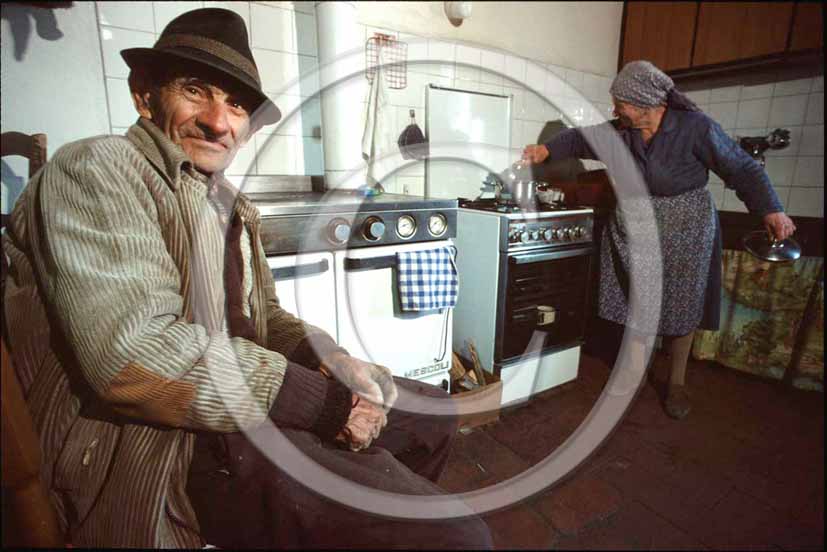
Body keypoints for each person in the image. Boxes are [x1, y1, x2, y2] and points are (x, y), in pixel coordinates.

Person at [2, 8, 492, 549]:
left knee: (434, 416)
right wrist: (330, 406)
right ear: (146, 95)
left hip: (239, 409)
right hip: (160, 445)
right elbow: (133, 356)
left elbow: (266, 321)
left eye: (235, 104)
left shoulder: (229, 204)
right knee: (458, 539)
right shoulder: (98, 170)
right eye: (196, 91)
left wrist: (333, 361)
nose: (219, 120)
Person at [522, 60, 796, 420]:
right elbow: (580, 137)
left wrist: (771, 209)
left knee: (682, 305)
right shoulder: (623, 130)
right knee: (636, 301)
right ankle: (633, 374)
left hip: (686, 230)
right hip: (634, 231)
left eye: (620, 103)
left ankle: (676, 382)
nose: (615, 110)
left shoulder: (696, 128)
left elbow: (742, 167)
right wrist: (547, 150)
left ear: (644, 102)